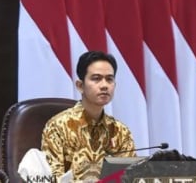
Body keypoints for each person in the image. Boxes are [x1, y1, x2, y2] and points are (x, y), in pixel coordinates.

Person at [41, 51, 135, 182]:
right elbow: (52, 178)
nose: (104, 85)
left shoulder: (120, 131)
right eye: (96, 78)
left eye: (109, 79)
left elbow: (130, 177)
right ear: (80, 86)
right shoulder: (58, 127)